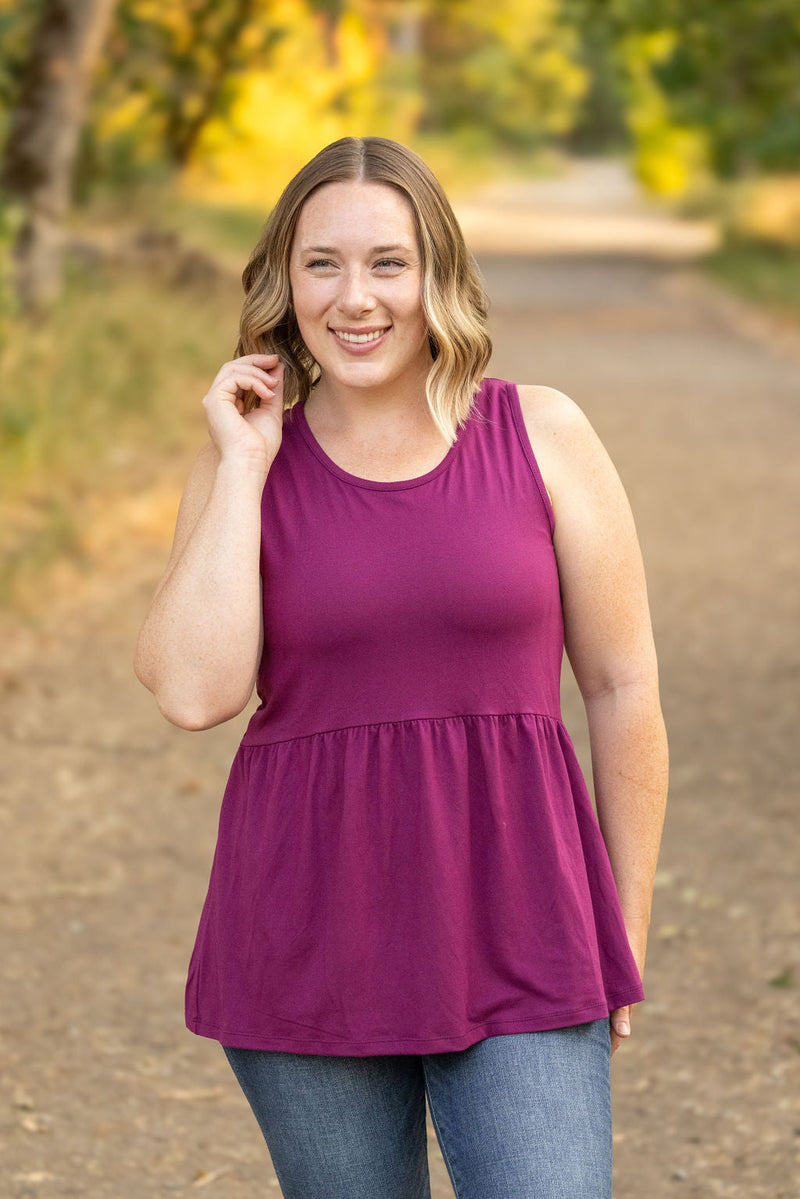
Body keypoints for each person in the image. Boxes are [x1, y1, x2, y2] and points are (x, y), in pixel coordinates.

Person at [133, 136, 669, 1199]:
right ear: (284, 282)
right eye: (320, 262)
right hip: (307, 934)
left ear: (437, 276)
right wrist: (244, 466)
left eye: (388, 260)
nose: (354, 297)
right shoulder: (245, 461)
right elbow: (195, 691)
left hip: (525, 921)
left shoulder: (542, 431)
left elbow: (622, 688)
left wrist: (621, 923)